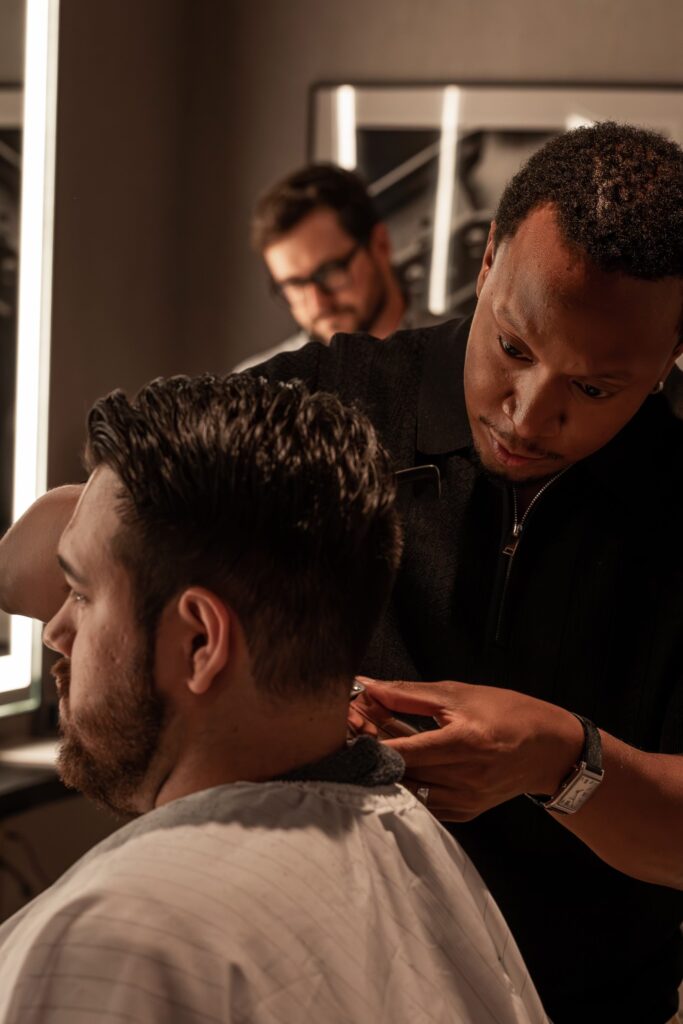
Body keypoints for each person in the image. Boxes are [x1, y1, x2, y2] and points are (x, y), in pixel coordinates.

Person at [246, 121, 683, 1024]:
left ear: (670, 360)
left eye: (595, 389)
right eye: (514, 348)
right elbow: (68, 538)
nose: (528, 416)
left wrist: (563, 761)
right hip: (316, 992)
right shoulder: (335, 395)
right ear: (486, 261)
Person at [0, 374, 546, 1024]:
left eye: (81, 595)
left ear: (201, 641)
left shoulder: (116, 941)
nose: (58, 634)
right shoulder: (406, 839)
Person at [233, 163, 417, 370]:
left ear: (380, 246)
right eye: (294, 285)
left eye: (329, 272)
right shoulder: (260, 385)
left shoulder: (457, 362)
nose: (317, 304)